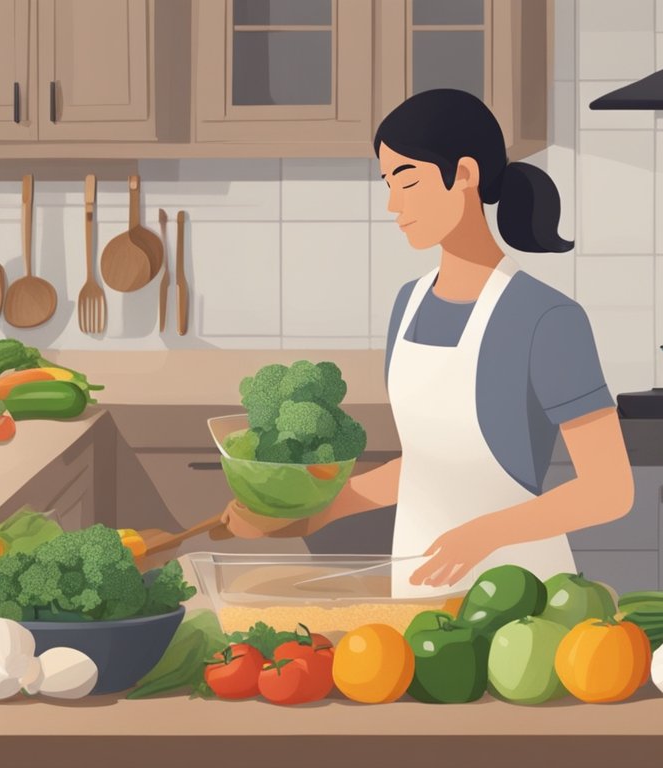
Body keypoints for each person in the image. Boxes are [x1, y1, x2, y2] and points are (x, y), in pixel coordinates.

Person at [221, 89, 634, 597]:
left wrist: (484, 535)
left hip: (524, 593)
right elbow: (423, 466)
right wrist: (310, 515)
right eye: (387, 183)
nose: (394, 204)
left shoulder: (547, 318)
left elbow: (609, 489)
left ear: (464, 174)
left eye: (408, 180)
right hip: (417, 588)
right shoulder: (408, 303)